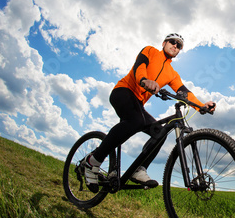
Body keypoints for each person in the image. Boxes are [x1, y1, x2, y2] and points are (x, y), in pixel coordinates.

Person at [82, 33, 216, 192]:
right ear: (164, 43)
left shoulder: (172, 73)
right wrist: (144, 80)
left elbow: (184, 92)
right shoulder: (150, 51)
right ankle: (93, 161)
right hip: (123, 91)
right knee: (137, 120)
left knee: (160, 132)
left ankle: (139, 169)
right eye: (173, 42)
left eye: (179, 45)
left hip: (137, 103)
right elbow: (140, 66)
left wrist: (201, 106)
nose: (175, 46)